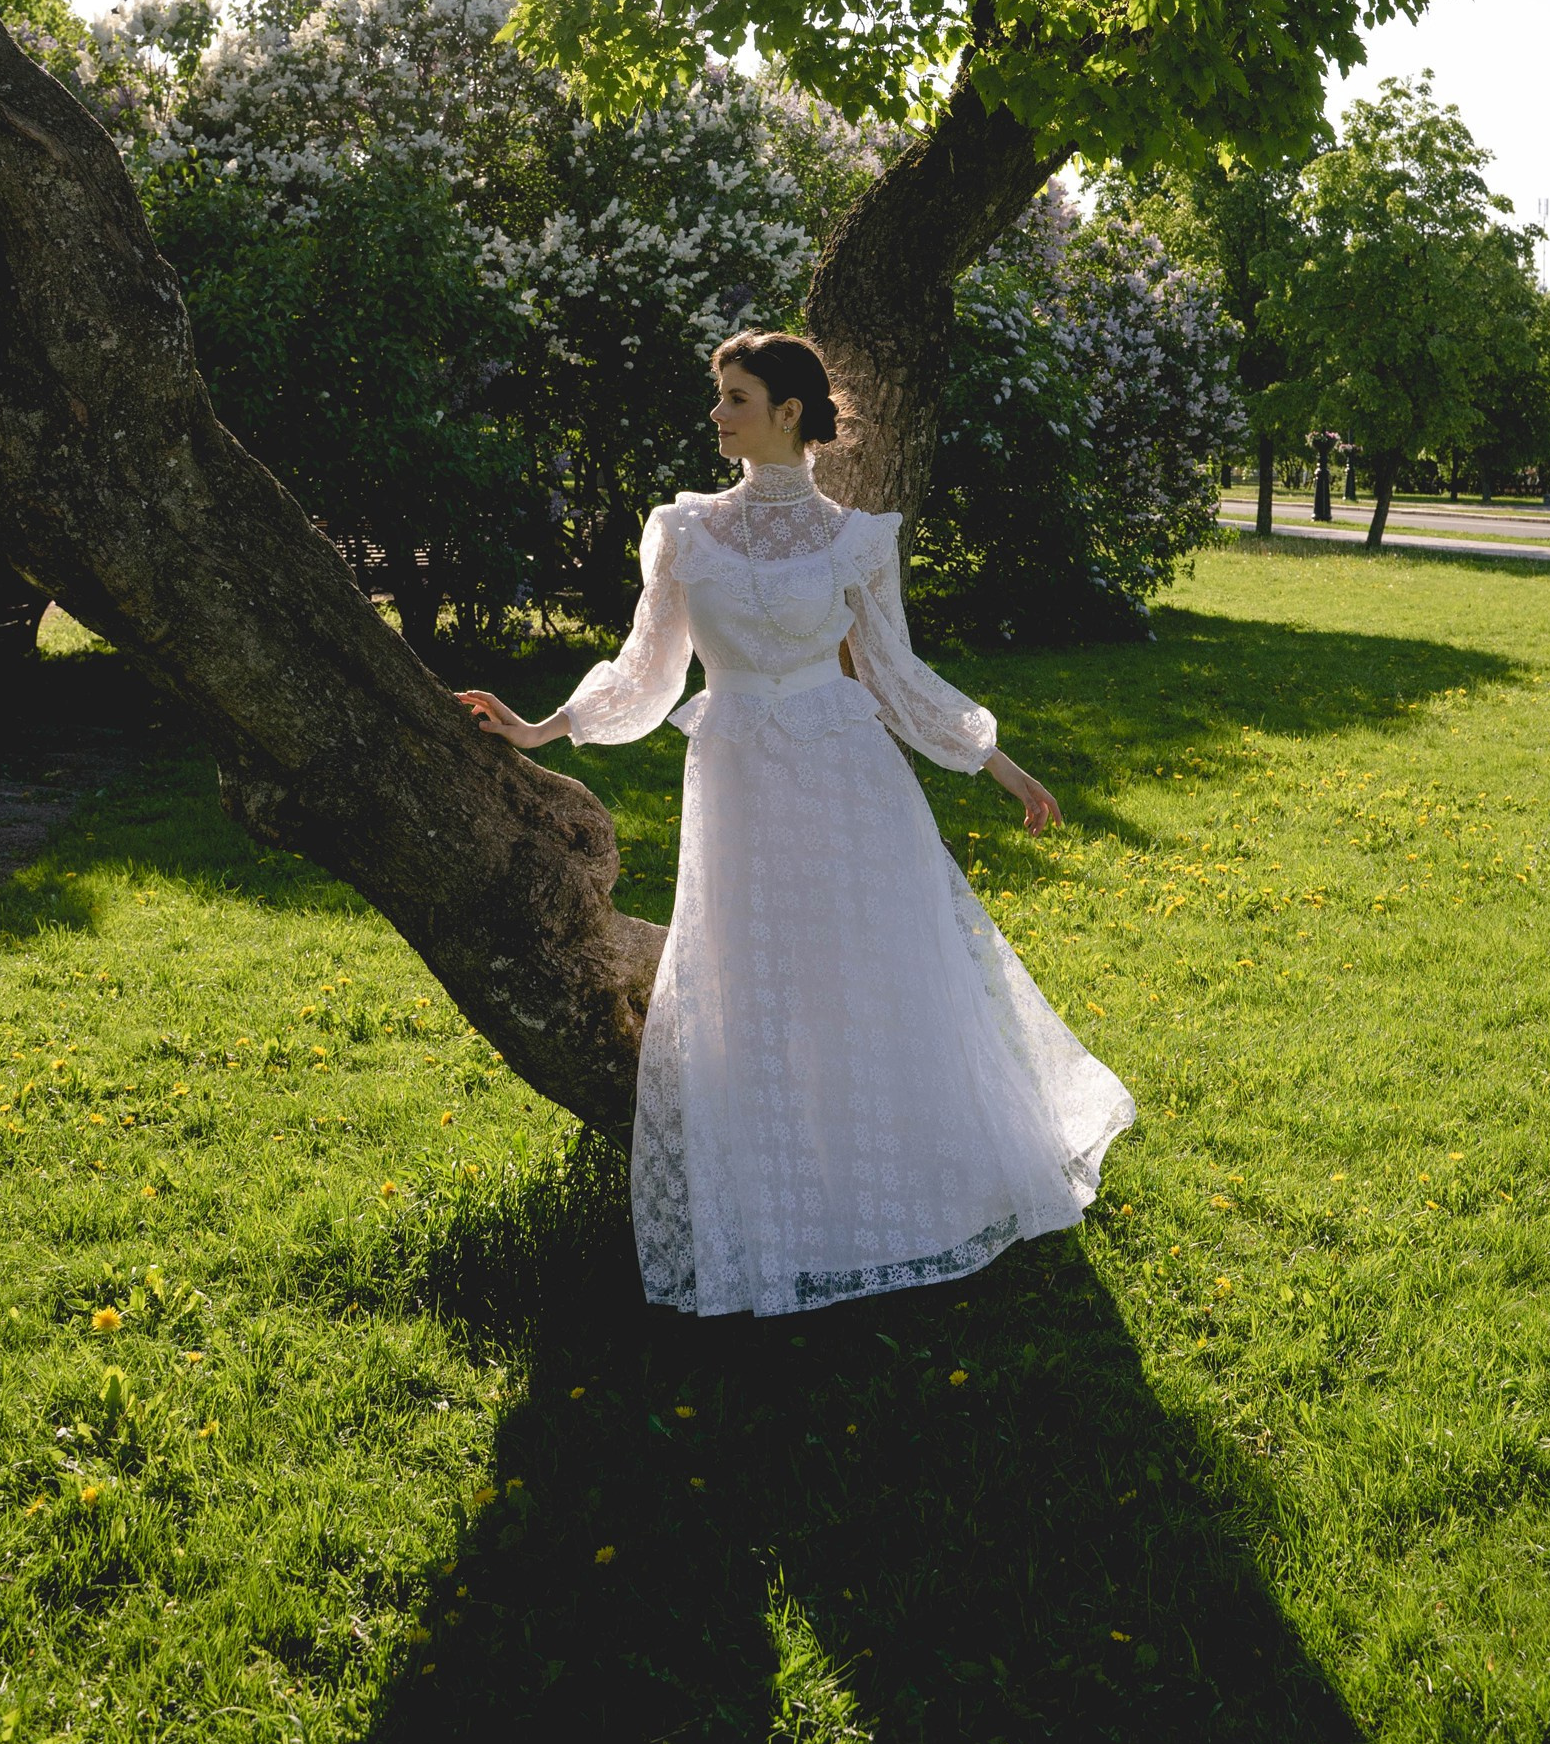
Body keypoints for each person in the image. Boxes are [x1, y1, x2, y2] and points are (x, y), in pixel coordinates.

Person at [458, 330, 1134, 1318]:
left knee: (869, 970)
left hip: (847, 773)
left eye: (735, 398)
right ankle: (785, 1197)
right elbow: (647, 668)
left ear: (788, 414)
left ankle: (905, 1183)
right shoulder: (682, 531)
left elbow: (895, 676)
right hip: (735, 773)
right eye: (717, 396)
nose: (717, 414)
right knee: (753, 972)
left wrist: (998, 762)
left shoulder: (858, 540)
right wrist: (540, 727)